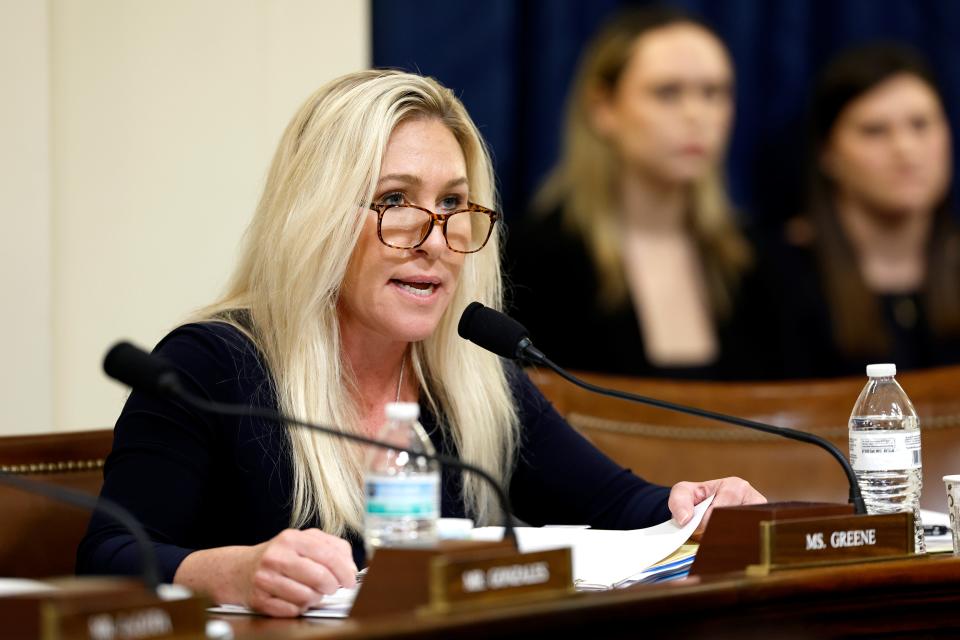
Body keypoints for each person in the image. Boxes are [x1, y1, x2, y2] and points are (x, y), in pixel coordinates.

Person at [77, 69, 764, 617]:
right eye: (396, 201)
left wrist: (690, 505)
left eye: (453, 205)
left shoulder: (466, 374)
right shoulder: (210, 366)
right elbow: (107, 554)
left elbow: (617, 509)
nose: (435, 241)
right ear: (315, 217)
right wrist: (231, 571)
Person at [508, 6, 772, 379]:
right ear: (603, 109)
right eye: (668, 93)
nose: (697, 115)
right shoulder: (535, 260)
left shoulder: (757, 261)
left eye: (714, 92)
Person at [773, 44, 960, 377]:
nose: (905, 149)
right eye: (875, 131)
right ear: (827, 154)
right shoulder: (779, 278)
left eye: (920, 125)